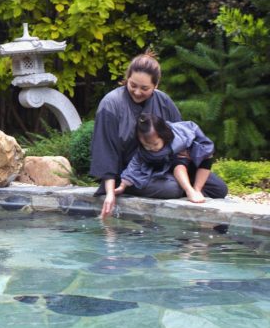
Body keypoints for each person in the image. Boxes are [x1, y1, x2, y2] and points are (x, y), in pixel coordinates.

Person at [90, 52, 227, 219]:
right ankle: (181, 187)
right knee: (173, 189)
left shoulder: (163, 101)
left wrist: (189, 156)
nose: (137, 92)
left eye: (145, 88)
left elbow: (180, 137)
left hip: (168, 166)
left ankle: (187, 188)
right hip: (130, 173)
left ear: (156, 85)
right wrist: (110, 193)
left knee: (218, 189)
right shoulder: (111, 104)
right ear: (127, 78)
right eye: (132, 85)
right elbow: (106, 152)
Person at [114, 113, 216, 204]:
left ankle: (193, 190)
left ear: (163, 135)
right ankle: (188, 190)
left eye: (155, 144)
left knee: (219, 189)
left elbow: (207, 154)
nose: (151, 148)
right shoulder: (144, 152)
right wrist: (123, 186)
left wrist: (197, 188)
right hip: (159, 172)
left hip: (187, 168)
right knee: (174, 189)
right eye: (147, 146)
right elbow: (134, 165)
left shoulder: (181, 139)